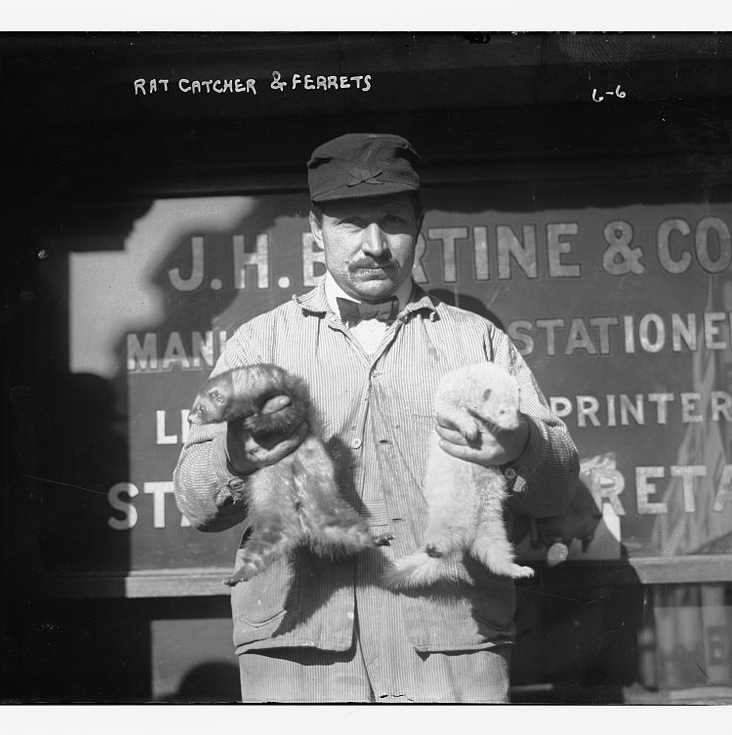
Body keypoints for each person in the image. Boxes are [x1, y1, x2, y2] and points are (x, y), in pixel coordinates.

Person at [173, 133, 579, 703]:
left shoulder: (476, 342)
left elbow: (557, 490)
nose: (374, 245)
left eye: (391, 220)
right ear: (315, 229)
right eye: (349, 223)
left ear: (420, 224)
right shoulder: (258, 343)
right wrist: (234, 458)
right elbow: (193, 503)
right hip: (298, 652)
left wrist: (522, 445)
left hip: (449, 652)